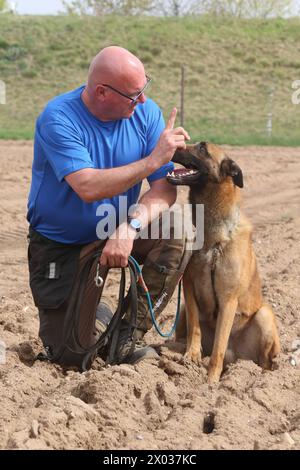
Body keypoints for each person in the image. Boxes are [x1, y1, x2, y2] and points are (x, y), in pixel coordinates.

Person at [27, 46, 192, 369]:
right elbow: (87, 186)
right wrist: (151, 161)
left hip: (115, 228)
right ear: (102, 92)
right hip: (62, 246)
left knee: (179, 229)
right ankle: (96, 315)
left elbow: (163, 189)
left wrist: (128, 229)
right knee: (72, 358)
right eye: (134, 94)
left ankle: (128, 335)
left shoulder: (145, 114)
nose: (143, 100)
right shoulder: (58, 118)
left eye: (145, 88)